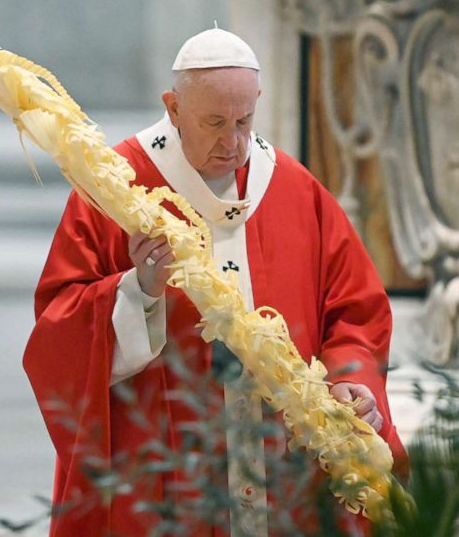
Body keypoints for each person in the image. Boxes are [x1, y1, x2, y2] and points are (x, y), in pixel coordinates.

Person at [23, 27, 408, 537]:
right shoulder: (114, 185)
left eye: (244, 121)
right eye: (214, 123)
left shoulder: (293, 188)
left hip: (281, 469)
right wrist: (140, 290)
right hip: (169, 472)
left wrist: (349, 382)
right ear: (174, 107)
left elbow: (354, 311)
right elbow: (58, 330)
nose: (232, 143)